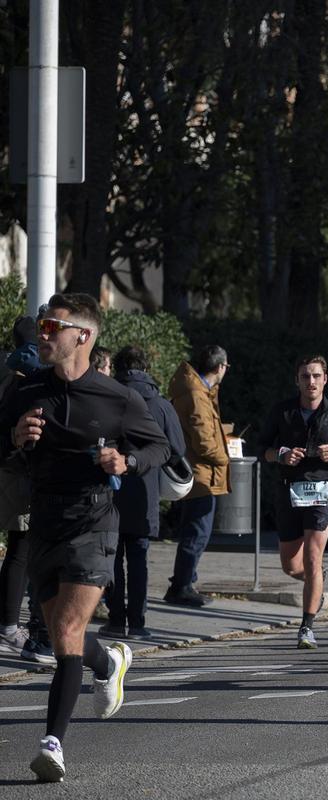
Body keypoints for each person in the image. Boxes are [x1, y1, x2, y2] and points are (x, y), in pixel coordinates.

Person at [2, 293, 171, 782]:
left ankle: (52, 744)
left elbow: (156, 446)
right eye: (41, 324)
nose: (43, 333)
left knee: (69, 632)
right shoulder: (25, 389)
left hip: (95, 523)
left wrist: (127, 461)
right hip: (44, 520)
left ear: (84, 336)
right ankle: (110, 659)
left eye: (53, 325)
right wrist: (14, 437)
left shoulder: (117, 397)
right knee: (62, 638)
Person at [260, 356, 328, 650]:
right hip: (288, 490)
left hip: (322, 491)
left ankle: (306, 627)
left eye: (316, 376)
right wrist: (281, 455)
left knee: (313, 558)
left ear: (325, 379)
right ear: (298, 381)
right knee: (291, 565)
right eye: (305, 377)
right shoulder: (282, 411)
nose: (311, 382)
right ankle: (316, 584)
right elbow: (262, 447)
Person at [104, 346, 187, 640]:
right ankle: (137, 623)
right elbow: (177, 449)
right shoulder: (160, 404)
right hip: (145, 488)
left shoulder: (107, 396)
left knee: (112, 556)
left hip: (109, 488)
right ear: (147, 368)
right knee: (138, 558)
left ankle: (114, 620)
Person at [0, 316, 52, 663]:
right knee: (23, 550)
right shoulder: (37, 377)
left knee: (17, 549)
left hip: (7, 466)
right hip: (24, 471)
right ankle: (10, 626)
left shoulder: (8, 370)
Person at [166, 344, 231, 607]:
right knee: (197, 532)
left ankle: (184, 582)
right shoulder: (196, 393)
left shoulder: (197, 389)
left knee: (195, 529)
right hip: (202, 474)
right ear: (220, 367)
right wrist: (226, 458)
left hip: (197, 471)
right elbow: (204, 440)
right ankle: (182, 586)